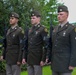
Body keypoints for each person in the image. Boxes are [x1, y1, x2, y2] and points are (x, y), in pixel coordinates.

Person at [47, 5, 76, 75]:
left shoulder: (71, 29)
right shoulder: (55, 29)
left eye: (61, 14)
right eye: (58, 14)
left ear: (67, 15)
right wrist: (49, 58)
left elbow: (74, 48)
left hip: (65, 65)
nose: (58, 16)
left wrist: (72, 63)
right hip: (55, 64)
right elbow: (52, 45)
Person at [22, 10, 49, 75]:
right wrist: (24, 57)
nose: (31, 19)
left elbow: (46, 45)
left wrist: (43, 59)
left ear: (39, 18)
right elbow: (26, 45)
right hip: (29, 58)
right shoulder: (29, 30)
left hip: (38, 58)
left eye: (33, 18)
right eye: (31, 18)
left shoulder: (42, 29)